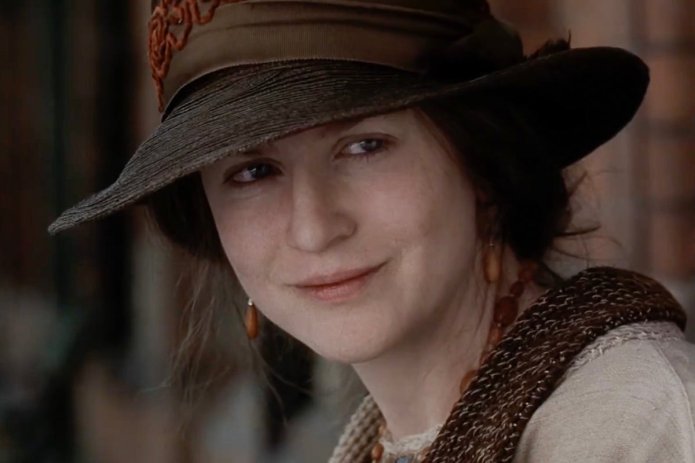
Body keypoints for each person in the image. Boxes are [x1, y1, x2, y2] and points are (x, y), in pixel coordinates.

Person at [49, 0, 695, 461]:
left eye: (364, 146)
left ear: (482, 163)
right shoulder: (384, 439)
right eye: (253, 171)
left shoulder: (631, 424)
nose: (313, 229)